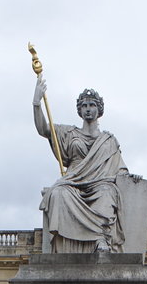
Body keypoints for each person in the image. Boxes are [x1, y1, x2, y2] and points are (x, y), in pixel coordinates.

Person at [33, 76, 127, 253]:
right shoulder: (68, 133)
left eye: (92, 105)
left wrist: (131, 178)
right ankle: (64, 248)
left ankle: (101, 240)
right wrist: (36, 103)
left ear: (99, 109)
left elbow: (120, 169)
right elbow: (44, 129)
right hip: (73, 182)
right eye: (84, 106)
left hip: (100, 183)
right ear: (79, 110)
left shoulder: (109, 140)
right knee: (58, 193)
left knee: (107, 193)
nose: (88, 110)